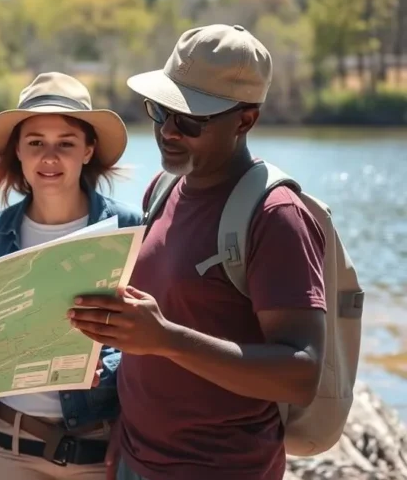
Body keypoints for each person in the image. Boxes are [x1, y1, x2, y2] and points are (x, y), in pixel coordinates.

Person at [68, 24, 326, 480]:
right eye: (161, 110)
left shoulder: (275, 216)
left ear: (245, 120)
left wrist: (167, 339)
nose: (167, 130)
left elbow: (301, 375)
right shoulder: (163, 189)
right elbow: (146, 345)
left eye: (189, 120)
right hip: (134, 459)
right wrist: (123, 429)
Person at [0, 72, 141, 480]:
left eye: (65, 144)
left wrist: (105, 366)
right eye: (36, 144)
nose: (49, 157)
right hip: (9, 448)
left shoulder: (128, 227)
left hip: (100, 451)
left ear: (88, 151)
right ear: (18, 152)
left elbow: (150, 340)